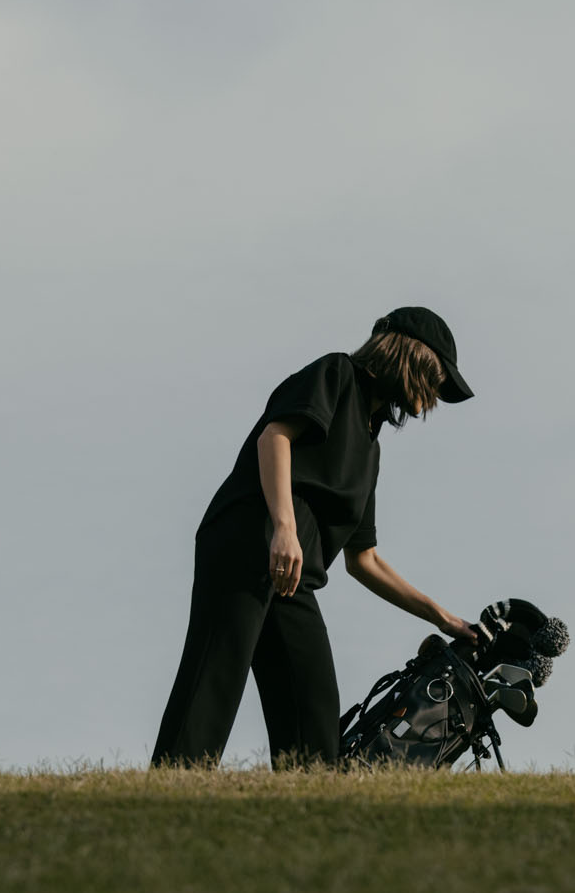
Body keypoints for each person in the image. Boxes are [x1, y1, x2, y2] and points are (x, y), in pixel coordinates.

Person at [153, 309, 479, 768]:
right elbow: (276, 436)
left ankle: (306, 808)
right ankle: (169, 794)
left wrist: (443, 619)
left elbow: (363, 560)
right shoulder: (336, 374)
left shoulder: (371, 447)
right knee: (215, 677)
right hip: (249, 538)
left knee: (314, 712)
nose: (434, 398)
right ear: (414, 359)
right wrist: (284, 527)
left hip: (294, 578)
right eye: (438, 380)